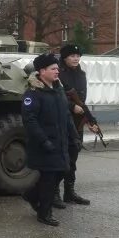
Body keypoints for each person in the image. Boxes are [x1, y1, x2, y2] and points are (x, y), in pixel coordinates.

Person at [21, 53, 76, 227]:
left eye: (57, 68)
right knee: (49, 179)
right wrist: (44, 141)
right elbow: (30, 120)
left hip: (60, 141)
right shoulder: (33, 93)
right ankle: (44, 213)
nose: (57, 71)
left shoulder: (58, 89)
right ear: (42, 71)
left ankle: (31, 194)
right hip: (44, 143)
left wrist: (73, 135)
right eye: (53, 68)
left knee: (62, 171)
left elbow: (66, 115)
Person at [58, 44, 92, 205]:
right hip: (62, 119)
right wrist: (72, 107)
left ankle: (69, 192)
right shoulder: (58, 73)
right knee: (60, 157)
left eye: (78, 56)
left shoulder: (81, 74)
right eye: (72, 56)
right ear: (65, 57)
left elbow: (82, 101)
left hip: (77, 122)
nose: (76, 58)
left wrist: (91, 121)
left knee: (73, 157)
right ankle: (54, 194)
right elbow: (57, 96)